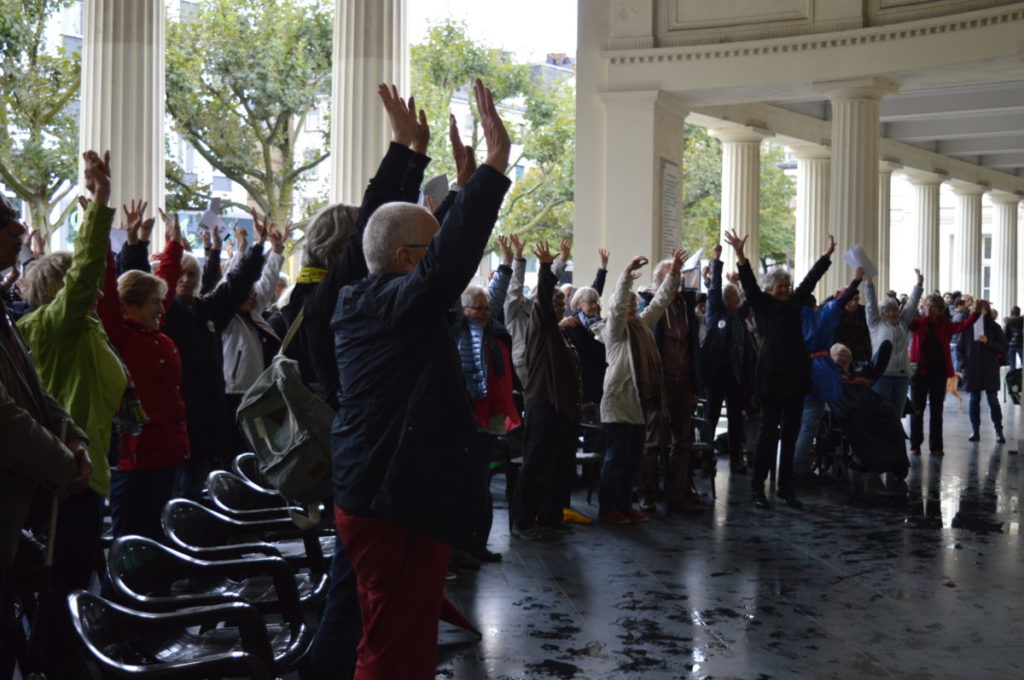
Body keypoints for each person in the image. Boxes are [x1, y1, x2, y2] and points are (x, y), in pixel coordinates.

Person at [329, 78, 511, 680]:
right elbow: (437, 262)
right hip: (388, 494)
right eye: (427, 252)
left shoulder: (376, 296)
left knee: (402, 638)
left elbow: (395, 239)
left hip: (397, 489)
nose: (444, 269)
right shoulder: (385, 303)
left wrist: (440, 177)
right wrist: (489, 172)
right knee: (390, 646)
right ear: (410, 262)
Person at [0, 177, 92, 680]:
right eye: (5, 219)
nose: (20, 226)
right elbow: (5, 418)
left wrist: (73, 435)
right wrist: (65, 465)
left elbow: (34, 394)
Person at [725, 229, 833, 510]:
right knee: (768, 434)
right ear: (770, 288)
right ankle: (757, 488)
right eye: (781, 286)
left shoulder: (796, 302)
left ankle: (785, 487)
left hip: (796, 375)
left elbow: (810, 281)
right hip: (772, 376)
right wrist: (740, 255)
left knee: (792, 432)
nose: (786, 289)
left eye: (787, 285)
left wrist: (826, 257)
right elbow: (748, 283)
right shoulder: (761, 304)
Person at [108, 220, 191, 542]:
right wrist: (100, 233)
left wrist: (174, 247)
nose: (161, 308)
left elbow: (165, 284)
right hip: (138, 457)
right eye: (154, 303)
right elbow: (102, 287)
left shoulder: (151, 334)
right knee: (132, 537)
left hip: (167, 451)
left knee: (156, 534)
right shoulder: (121, 337)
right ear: (129, 306)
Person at [598, 250, 684, 523]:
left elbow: (659, 304)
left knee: (632, 459)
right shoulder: (616, 330)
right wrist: (625, 275)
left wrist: (674, 274)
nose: (632, 309)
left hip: (640, 401)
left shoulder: (642, 326)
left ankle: (624, 505)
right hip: (621, 400)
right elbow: (617, 306)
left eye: (634, 306)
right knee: (616, 458)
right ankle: (608, 508)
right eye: (628, 307)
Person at [451, 236, 517, 566]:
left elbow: (497, 296)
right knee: (464, 487)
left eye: (485, 308)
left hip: (490, 418)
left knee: (482, 485)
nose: (485, 313)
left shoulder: (489, 327)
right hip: (465, 420)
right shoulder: (457, 331)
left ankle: (478, 543)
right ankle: (459, 547)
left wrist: (505, 265)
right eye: (478, 308)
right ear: (463, 310)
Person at [511, 241, 583, 538]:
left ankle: (552, 516)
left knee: (560, 467)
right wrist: (545, 267)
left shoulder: (562, 334)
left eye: (560, 305)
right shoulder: (540, 326)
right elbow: (541, 297)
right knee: (537, 466)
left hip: (564, 409)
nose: (558, 307)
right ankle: (524, 520)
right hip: (544, 405)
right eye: (555, 304)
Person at [219, 215, 289, 455]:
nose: (251, 295)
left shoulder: (255, 314)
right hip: (233, 394)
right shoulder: (226, 317)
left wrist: (277, 250)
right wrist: (242, 250)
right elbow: (232, 281)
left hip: (259, 393)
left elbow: (268, 281)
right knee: (236, 449)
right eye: (244, 293)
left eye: (252, 293)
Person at [638, 254, 702, 514]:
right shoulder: (650, 308)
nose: (676, 281)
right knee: (653, 442)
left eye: (678, 276)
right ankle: (647, 494)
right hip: (660, 382)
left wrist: (696, 385)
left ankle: (678, 493)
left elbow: (693, 348)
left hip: (683, 381)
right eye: (670, 276)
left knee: (683, 441)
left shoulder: (686, 309)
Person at [792, 267, 864, 480]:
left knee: (796, 423)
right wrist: (856, 280)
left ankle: (793, 464)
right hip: (818, 371)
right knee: (809, 422)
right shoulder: (819, 318)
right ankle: (800, 468)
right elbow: (839, 304)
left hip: (796, 370)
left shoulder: (794, 318)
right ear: (814, 305)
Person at [702, 244, 754, 475]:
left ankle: (735, 457)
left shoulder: (739, 314)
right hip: (715, 375)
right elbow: (714, 289)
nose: (738, 297)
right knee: (710, 419)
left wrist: (742, 281)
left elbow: (751, 297)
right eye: (734, 295)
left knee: (736, 418)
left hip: (736, 376)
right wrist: (717, 258)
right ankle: (705, 459)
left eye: (737, 295)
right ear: (726, 299)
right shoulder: (715, 311)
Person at [908, 295, 981, 456]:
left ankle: (936, 446)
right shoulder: (918, 324)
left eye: (933, 306)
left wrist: (976, 312)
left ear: (940, 310)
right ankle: (915, 445)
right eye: (927, 305)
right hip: (919, 373)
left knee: (937, 410)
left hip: (938, 373)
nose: (929, 308)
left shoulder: (945, 326)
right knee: (916, 410)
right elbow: (905, 319)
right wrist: (908, 302)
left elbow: (963, 325)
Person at [504, 238, 571, 388]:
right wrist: (518, 258)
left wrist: (563, 258)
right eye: (556, 305)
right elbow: (515, 288)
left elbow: (547, 284)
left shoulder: (540, 307)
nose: (559, 309)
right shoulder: (515, 311)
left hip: (545, 358)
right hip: (525, 362)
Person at [865, 268, 924, 420]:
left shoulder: (903, 323)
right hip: (882, 375)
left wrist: (919, 284)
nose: (891, 313)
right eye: (886, 311)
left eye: (894, 310)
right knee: (881, 414)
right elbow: (871, 305)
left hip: (902, 376)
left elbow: (911, 304)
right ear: (882, 313)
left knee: (897, 414)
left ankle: (894, 443)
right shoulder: (876, 324)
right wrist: (869, 283)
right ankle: (880, 443)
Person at [959, 301, 1008, 443]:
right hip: (972, 368)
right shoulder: (967, 327)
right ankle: (975, 430)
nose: (977, 312)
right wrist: (964, 364)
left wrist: (988, 342)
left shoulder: (994, 327)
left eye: (980, 309)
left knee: (993, 400)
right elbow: (960, 349)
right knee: (974, 400)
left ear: (986, 311)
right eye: (975, 309)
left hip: (989, 369)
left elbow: (1003, 347)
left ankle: (999, 430)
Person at [1004, 306, 1022, 370]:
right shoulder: (1022, 320)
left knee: (1012, 364)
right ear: (1019, 312)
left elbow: (1006, 334)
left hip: (1011, 345)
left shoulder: (1008, 321)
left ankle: (1013, 378)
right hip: (1021, 344)